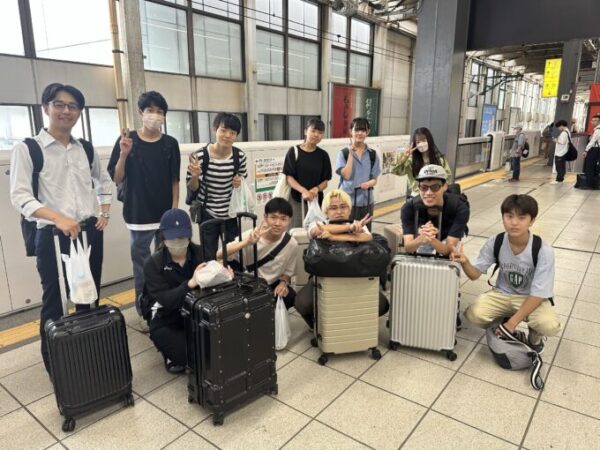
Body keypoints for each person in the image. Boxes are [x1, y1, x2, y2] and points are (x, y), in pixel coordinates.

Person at [9, 83, 113, 374]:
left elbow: (104, 181)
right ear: (46, 107)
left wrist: (104, 212)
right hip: (52, 236)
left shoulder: (85, 148)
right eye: (59, 104)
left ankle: (88, 356)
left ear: (79, 112)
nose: (66, 111)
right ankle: (58, 367)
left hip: (88, 232)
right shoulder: (28, 149)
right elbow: (20, 196)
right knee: (55, 301)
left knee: (88, 295)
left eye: (73, 106)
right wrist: (58, 218)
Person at [452, 194, 561, 354]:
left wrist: (512, 324)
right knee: (474, 314)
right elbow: (474, 275)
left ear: (531, 221)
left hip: (530, 297)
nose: (514, 223)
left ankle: (534, 338)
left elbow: (539, 294)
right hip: (502, 294)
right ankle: (502, 320)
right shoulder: (495, 242)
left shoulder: (543, 250)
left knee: (549, 325)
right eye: (509, 216)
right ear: (503, 218)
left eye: (521, 218)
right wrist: (465, 262)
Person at [107, 91, 181, 314]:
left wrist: (174, 210)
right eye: (150, 110)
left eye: (160, 112)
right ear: (140, 112)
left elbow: (174, 180)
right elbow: (117, 178)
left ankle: (166, 304)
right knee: (141, 265)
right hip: (138, 215)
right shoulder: (128, 140)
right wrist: (123, 154)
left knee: (167, 261)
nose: (155, 115)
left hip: (164, 214)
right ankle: (144, 308)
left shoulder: (170, 143)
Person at [295, 189, 388, 328]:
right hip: (323, 279)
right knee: (302, 303)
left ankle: (353, 325)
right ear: (325, 212)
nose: (339, 211)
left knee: (382, 305)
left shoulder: (357, 224)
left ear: (349, 210)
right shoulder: (317, 223)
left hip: (356, 278)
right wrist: (351, 230)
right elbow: (316, 231)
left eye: (343, 207)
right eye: (333, 208)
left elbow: (367, 237)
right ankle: (318, 327)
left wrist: (334, 237)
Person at [143, 209, 215, 374]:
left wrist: (222, 275)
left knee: (213, 353)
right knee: (189, 358)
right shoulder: (153, 264)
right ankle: (170, 353)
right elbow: (167, 300)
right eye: (172, 238)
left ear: (189, 236)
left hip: (196, 313)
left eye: (182, 237)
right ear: (163, 237)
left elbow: (212, 286)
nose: (178, 242)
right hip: (167, 318)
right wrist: (190, 283)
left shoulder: (201, 253)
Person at [217, 198, 298, 310]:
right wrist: (247, 242)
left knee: (290, 297)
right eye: (273, 217)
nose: (278, 223)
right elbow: (219, 254)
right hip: (249, 284)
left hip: (271, 284)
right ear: (265, 217)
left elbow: (288, 272)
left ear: (289, 221)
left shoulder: (291, 244)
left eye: (283, 219)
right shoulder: (251, 236)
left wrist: (283, 283)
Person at [186, 113, 248, 260]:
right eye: (223, 130)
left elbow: (242, 181)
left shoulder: (239, 156)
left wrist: (239, 183)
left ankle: (233, 275)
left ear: (236, 135)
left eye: (232, 133)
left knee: (233, 256)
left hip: (231, 214)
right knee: (209, 257)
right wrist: (195, 176)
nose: (227, 135)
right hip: (207, 214)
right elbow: (192, 188)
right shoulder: (200, 156)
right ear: (215, 130)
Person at [400, 165, 469, 257]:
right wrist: (422, 238)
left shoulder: (460, 208)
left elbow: (448, 250)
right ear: (418, 187)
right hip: (423, 238)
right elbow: (408, 248)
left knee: (453, 256)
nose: (428, 193)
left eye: (435, 187)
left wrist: (431, 240)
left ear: (445, 186)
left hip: (448, 236)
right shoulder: (409, 208)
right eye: (424, 187)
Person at [283, 118, 332, 228]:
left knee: (317, 230)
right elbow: (289, 178)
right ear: (306, 131)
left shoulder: (323, 155)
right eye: (313, 131)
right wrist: (304, 191)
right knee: (296, 230)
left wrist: (315, 189)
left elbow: (325, 181)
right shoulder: (293, 151)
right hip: (297, 200)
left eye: (320, 132)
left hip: (316, 200)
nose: (316, 135)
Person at [336, 117, 381, 230]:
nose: (360, 133)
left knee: (365, 232)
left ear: (367, 132)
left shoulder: (372, 155)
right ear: (351, 131)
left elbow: (374, 179)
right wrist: (351, 154)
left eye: (363, 130)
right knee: (347, 232)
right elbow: (346, 175)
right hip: (347, 202)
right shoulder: (343, 153)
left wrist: (368, 184)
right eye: (356, 130)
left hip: (367, 202)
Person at [391, 127, 453, 196]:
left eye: (424, 140)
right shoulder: (411, 162)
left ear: (429, 141)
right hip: (417, 195)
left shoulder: (440, 161)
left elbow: (448, 178)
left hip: (435, 194)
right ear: (415, 144)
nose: (421, 143)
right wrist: (404, 157)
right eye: (418, 142)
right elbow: (394, 170)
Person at [582, 113, 600, 188]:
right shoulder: (597, 130)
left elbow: (592, 141)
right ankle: (594, 184)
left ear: (598, 122)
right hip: (597, 150)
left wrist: (586, 150)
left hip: (595, 150)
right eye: (592, 120)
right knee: (595, 167)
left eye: (594, 121)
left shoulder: (598, 130)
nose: (592, 122)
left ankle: (589, 184)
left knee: (590, 166)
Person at [551, 120, 569, 185]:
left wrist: (556, 140)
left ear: (561, 126)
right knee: (561, 166)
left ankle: (559, 180)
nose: (558, 129)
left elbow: (562, 142)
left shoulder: (564, 133)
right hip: (563, 151)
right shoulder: (567, 131)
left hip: (560, 152)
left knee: (559, 167)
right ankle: (560, 179)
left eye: (558, 127)